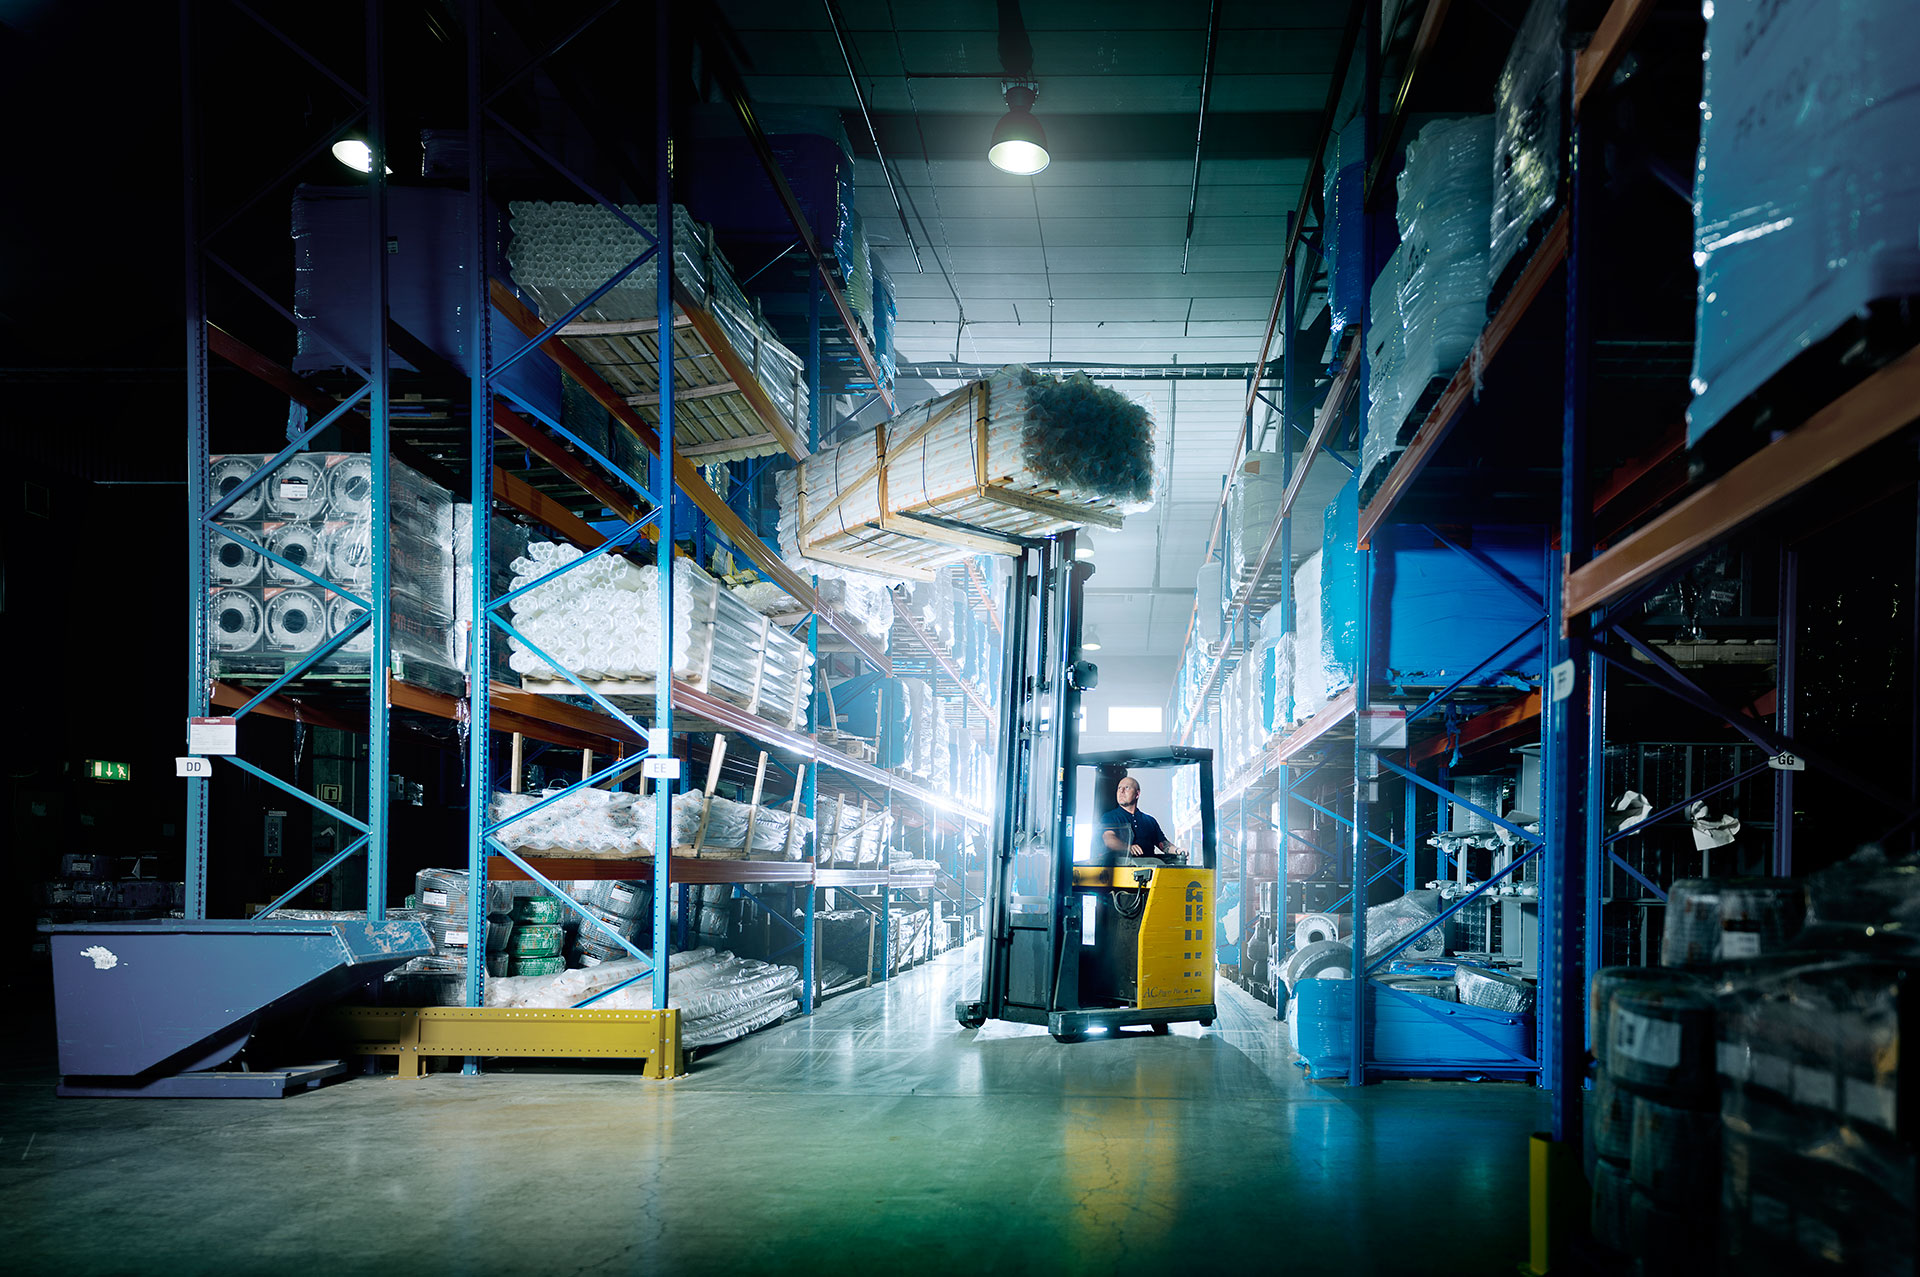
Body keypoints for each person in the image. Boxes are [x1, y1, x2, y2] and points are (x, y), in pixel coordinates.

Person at [1101, 775, 1179, 861]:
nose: (1121, 791)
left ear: (1137, 794)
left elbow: (1163, 844)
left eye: (1126, 788)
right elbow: (1109, 839)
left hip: (1150, 869)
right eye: (1119, 788)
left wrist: (1177, 850)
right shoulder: (1110, 817)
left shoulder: (1150, 821)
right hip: (1122, 869)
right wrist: (1128, 848)